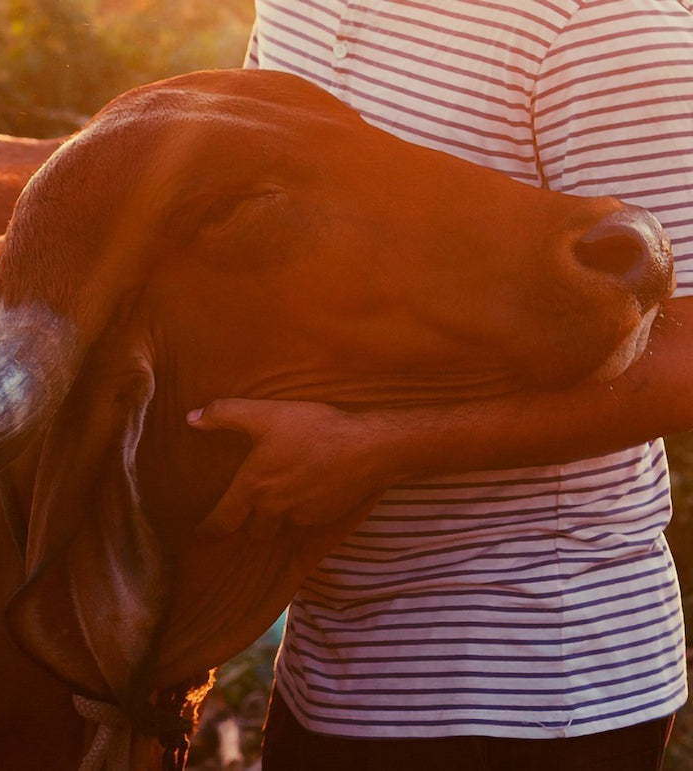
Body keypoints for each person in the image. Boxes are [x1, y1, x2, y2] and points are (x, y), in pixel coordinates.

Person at [189, 2, 693, 769]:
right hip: (331, 660)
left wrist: (375, 449)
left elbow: (685, 355)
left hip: (530, 682)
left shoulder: (604, 28)